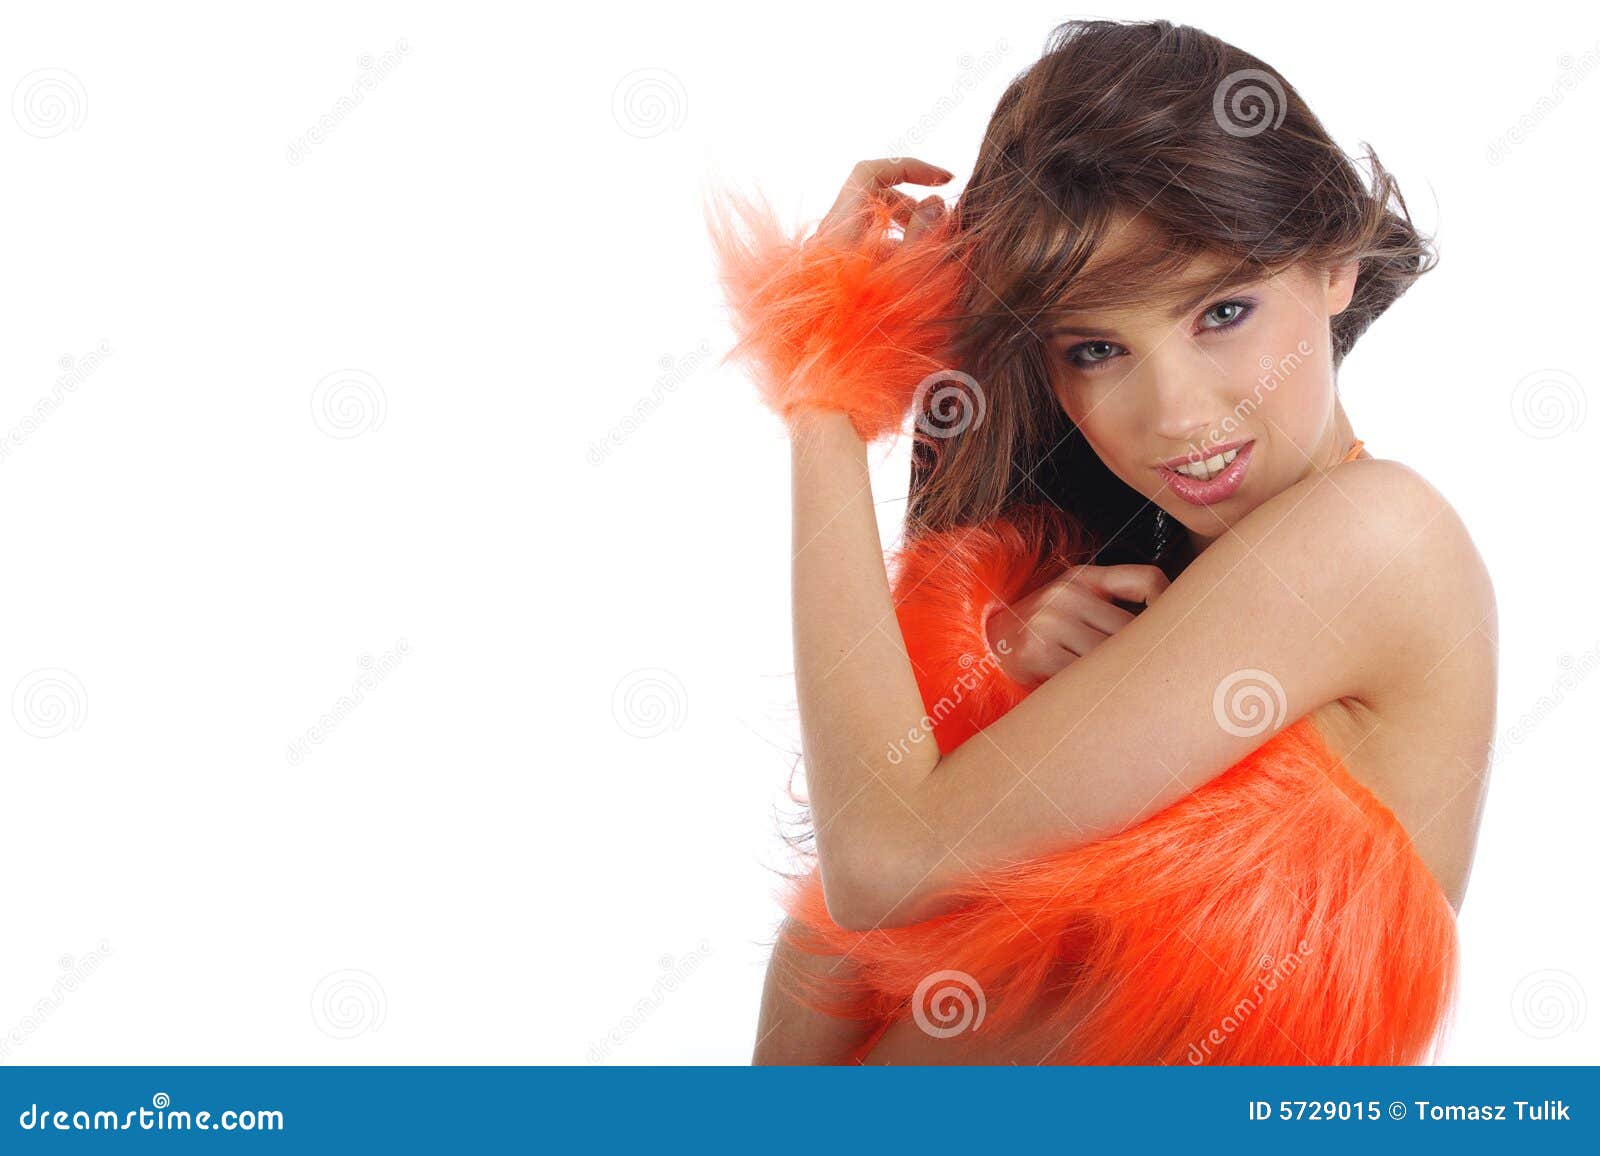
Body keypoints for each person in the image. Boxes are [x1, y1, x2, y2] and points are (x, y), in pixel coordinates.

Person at [706, 18, 1496, 1065]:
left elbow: (880, 855)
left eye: (1221, 310)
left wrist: (824, 392)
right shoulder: (1114, 619)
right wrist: (989, 688)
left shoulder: (1380, 537)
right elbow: (823, 978)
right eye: (1095, 347)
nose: (1174, 411)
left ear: (1335, 262)